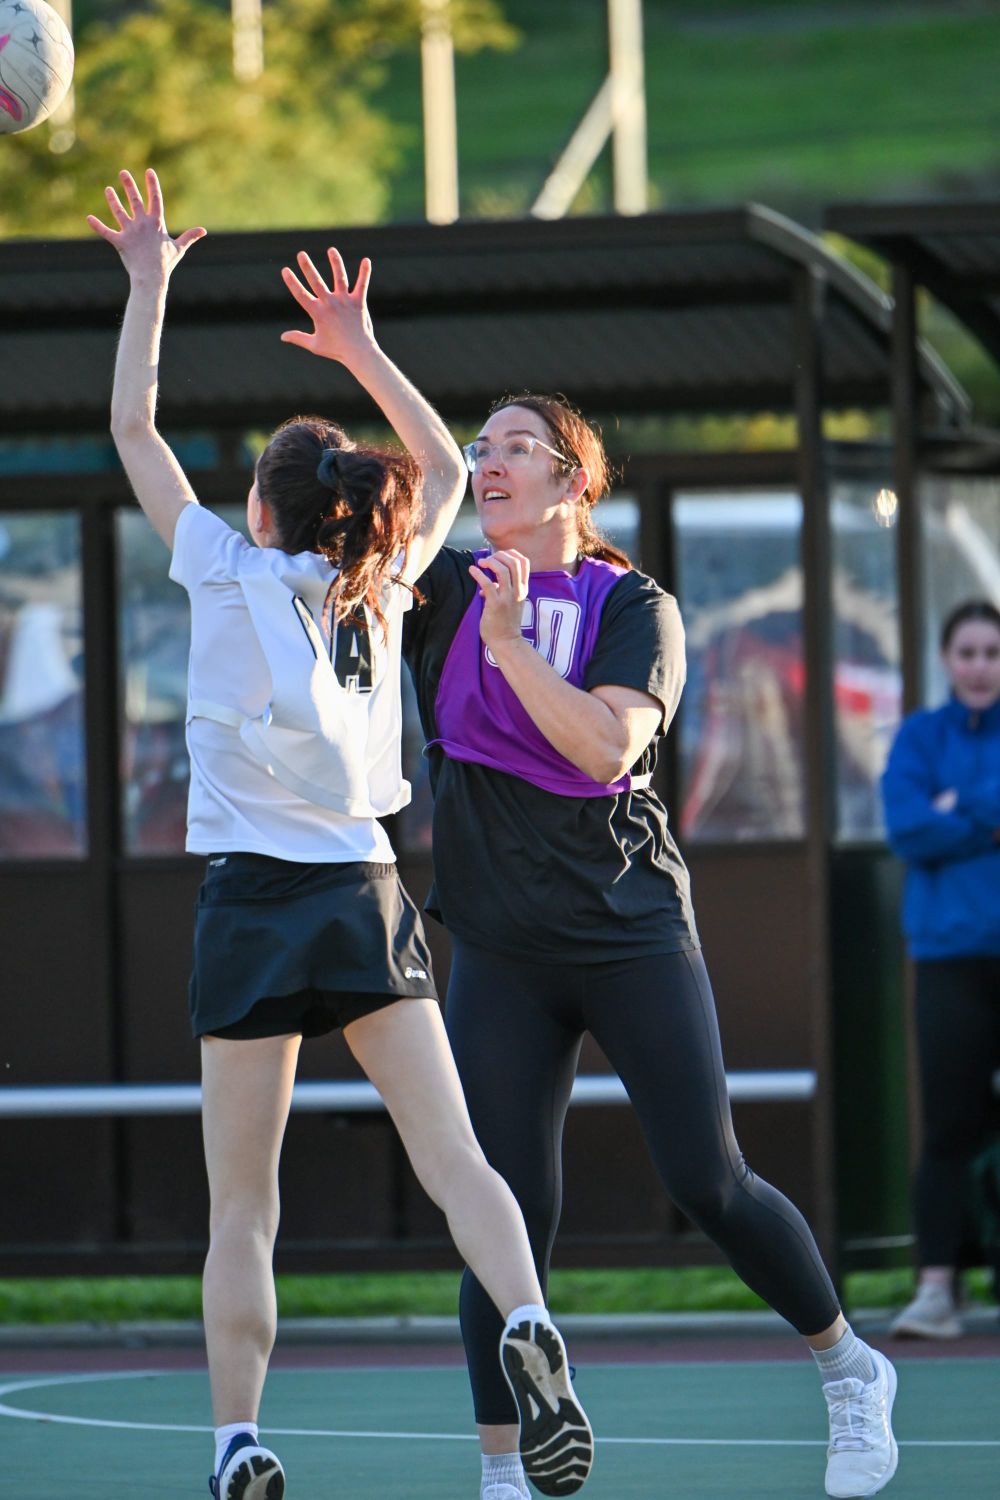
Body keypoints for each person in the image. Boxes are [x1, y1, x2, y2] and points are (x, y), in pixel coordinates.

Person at [87, 172, 592, 1500]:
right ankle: (529, 1318)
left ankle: (238, 1441)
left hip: (251, 904)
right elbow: (429, 467)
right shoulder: (381, 584)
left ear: (261, 509)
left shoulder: (222, 567)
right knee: (457, 1161)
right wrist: (366, 348)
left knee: (243, 1208)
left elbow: (133, 426)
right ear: (348, 510)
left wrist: (149, 282)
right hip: (365, 894)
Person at [402, 394, 899, 1500]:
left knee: (707, 1178)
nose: (489, 464)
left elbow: (602, 747)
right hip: (499, 946)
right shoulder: (441, 590)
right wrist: (359, 348)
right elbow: (420, 469)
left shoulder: (634, 606)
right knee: (502, 1213)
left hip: (627, 930)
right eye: (481, 448)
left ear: (572, 481)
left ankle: (849, 1369)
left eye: (515, 448)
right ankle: (501, 1474)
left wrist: (507, 650)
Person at [881, 598, 1000, 1339]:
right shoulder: (920, 737)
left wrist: (961, 805)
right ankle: (936, 1290)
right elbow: (908, 827)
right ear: (947, 660)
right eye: (968, 653)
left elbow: (937, 821)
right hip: (949, 960)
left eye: (993, 653)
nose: (981, 667)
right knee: (950, 1126)